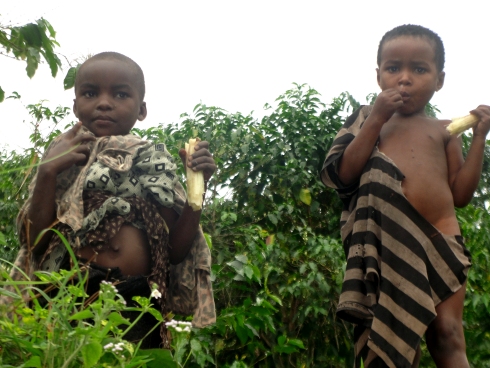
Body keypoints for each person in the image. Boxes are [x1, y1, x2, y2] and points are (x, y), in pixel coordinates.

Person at [8, 52, 216, 348]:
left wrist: (198, 189)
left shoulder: (152, 159)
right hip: (67, 293)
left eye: (120, 94)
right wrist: (47, 171)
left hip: (136, 301)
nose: (104, 103)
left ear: (141, 109)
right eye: (90, 93)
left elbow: (176, 252)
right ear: (75, 105)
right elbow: (33, 242)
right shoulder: (64, 153)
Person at [321, 24, 490, 368]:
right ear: (378, 75)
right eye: (393, 68)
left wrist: (480, 138)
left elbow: (460, 195)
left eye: (419, 69)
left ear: (439, 79)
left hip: (440, 243)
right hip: (385, 246)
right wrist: (378, 117)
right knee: (391, 344)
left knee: (447, 335)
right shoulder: (367, 121)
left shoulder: (446, 130)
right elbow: (344, 173)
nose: (405, 78)